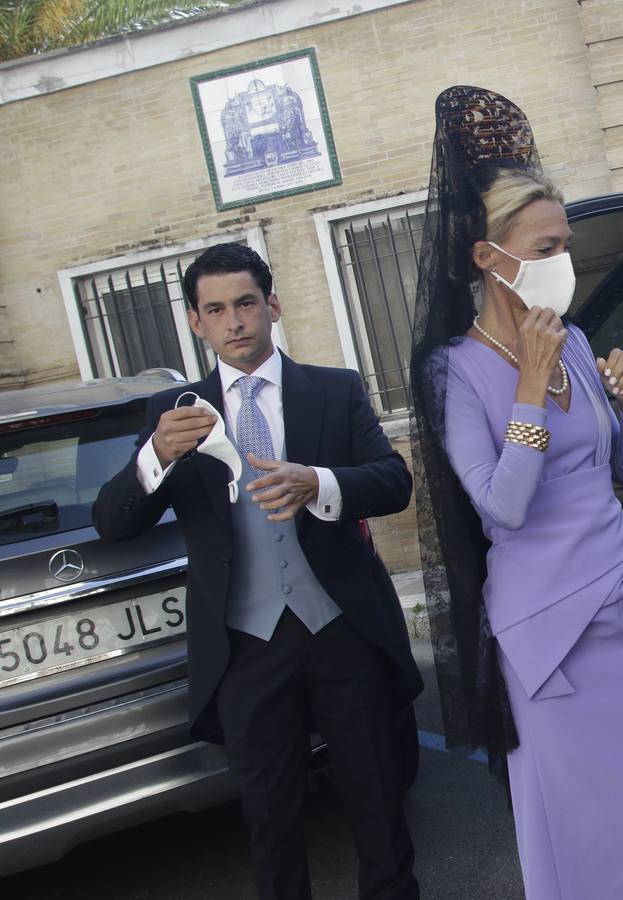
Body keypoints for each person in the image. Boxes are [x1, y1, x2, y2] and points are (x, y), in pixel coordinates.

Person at [408, 86, 623, 900]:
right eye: (548, 244)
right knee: (598, 823)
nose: (564, 259)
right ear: (489, 258)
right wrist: (528, 389)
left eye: (564, 241)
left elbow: (622, 470)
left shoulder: (576, 340)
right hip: (548, 633)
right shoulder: (451, 371)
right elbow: (500, 506)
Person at [93, 242, 422, 900]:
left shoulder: (333, 389)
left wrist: (320, 483)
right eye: (215, 309)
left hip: (342, 629)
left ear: (271, 305)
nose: (234, 320)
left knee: (378, 805)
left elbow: (393, 481)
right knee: (270, 821)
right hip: (244, 644)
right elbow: (113, 521)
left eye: (245, 303)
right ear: (196, 322)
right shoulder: (172, 411)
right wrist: (155, 455)